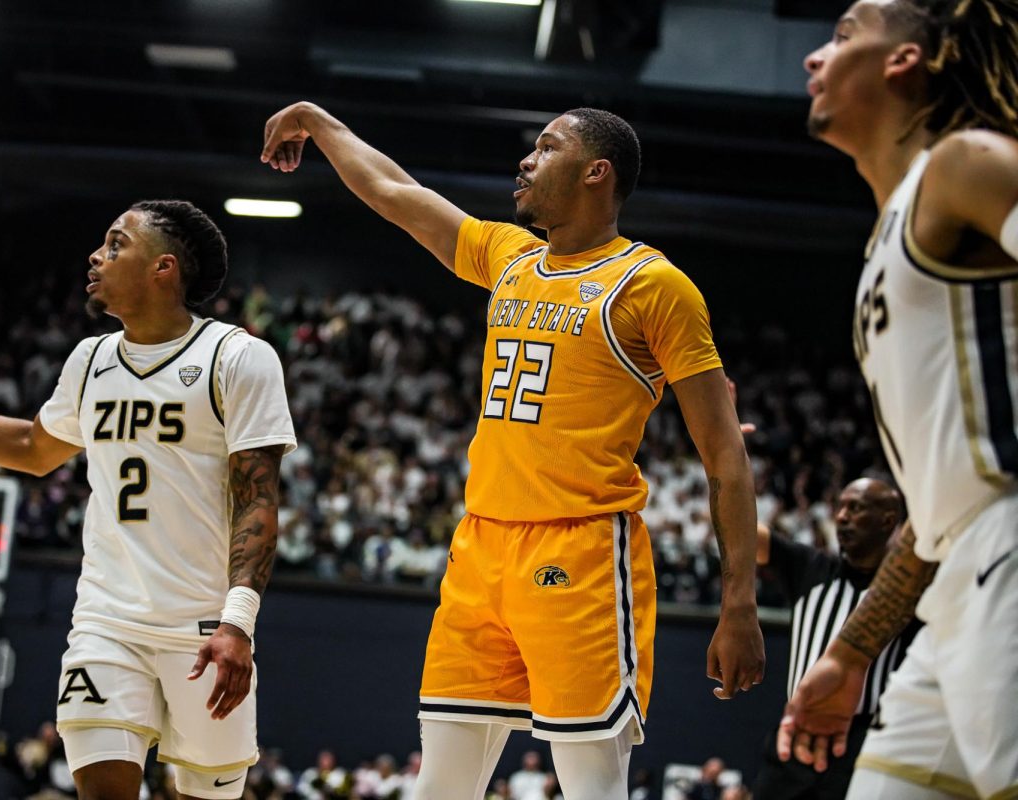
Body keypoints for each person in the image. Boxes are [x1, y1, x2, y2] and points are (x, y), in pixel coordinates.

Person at [261, 102, 765, 799]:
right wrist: (320, 124)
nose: (525, 161)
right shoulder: (510, 256)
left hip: (581, 550)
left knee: (591, 784)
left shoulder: (653, 286)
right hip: (480, 547)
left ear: (596, 172)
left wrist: (739, 603)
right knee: (440, 784)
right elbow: (396, 195)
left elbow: (724, 456)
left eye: (546, 147)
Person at [0, 199, 297, 800]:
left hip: (204, 627)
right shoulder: (90, 360)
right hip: (106, 622)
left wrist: (239, 623)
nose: (95, 256)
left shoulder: (238, 357)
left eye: (115, 244)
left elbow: (258, 501)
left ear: (164, 269)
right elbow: (34, 447)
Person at [778, 2, 1018, 798]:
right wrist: (851, 653)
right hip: (956, 581)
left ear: (904, 61)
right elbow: (935, 502)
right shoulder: (893, 230)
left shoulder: (966, 166)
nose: (815, 57)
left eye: (842, 35)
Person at [755, 478, 919, 799]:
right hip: (793, 735)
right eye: (839, 507)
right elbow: (744, 532)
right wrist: (728, 459)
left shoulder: (908, 588)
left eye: (855, 508)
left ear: (888, 520)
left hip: (863, 745)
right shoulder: (811, 568)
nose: (841, 516)